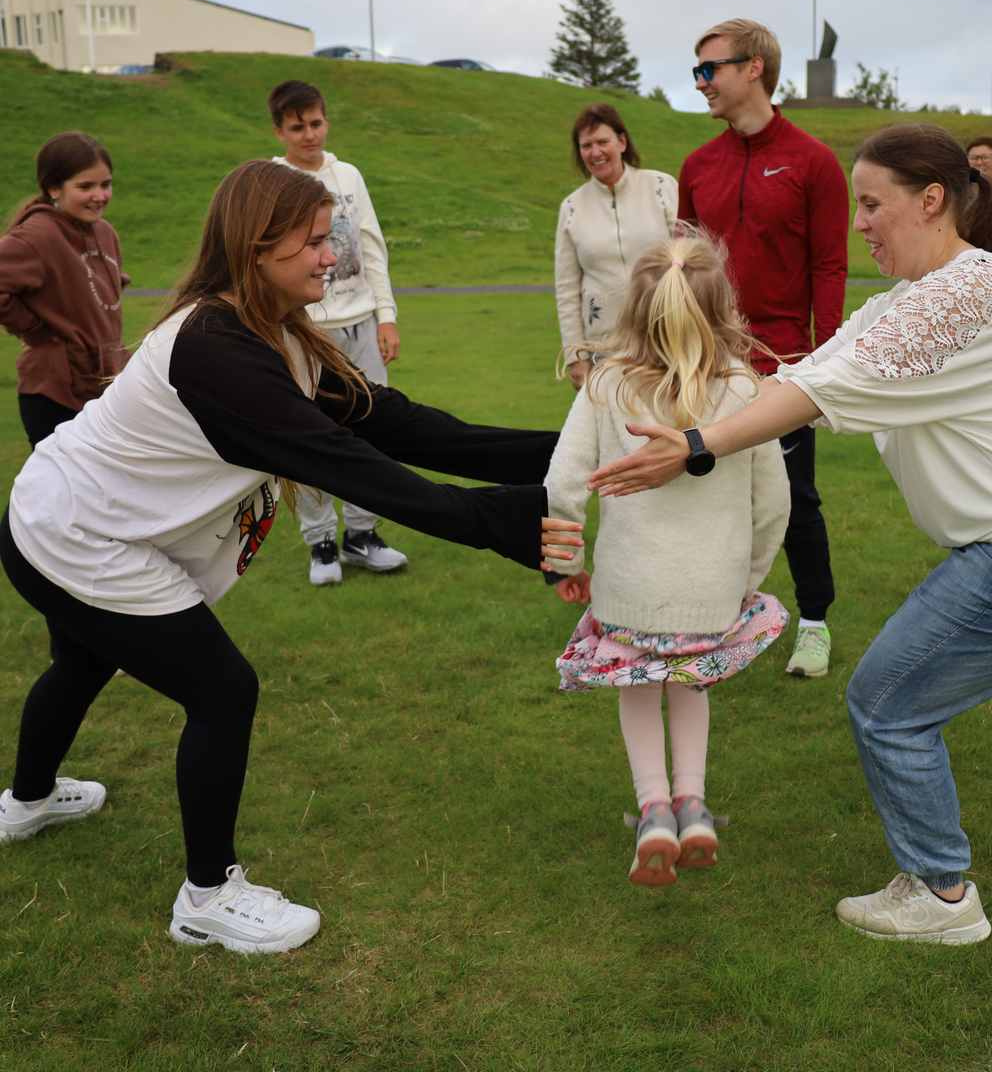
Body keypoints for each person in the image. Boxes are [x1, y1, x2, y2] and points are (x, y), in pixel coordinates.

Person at [586, 123, 992, 944]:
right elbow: (801, 375)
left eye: (873, 205)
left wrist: (696, 443)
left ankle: (942, 897)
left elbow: (816, 394)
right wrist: (687, 380)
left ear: (932, 200)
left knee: (887, 705)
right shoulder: (913, 297)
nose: (860, 224)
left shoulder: (965, 294)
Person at [0, 159, 581, 954]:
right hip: (74, 533)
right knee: (222, 689)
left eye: (329, 238)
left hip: (54, 513)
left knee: (81, 664)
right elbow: (348, 465)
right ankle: (207, 898)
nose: (331, 257)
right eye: (312, 242)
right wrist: (502, 522)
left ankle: (26, 803)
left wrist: (575, 452)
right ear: (256, 245)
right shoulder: (216, 349)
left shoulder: (276, 335)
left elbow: (402, 426)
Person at [544, 233, 789, 886]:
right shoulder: (746, 390)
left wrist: (567, 564)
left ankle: (654, 812)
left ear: (634, 308)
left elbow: (562, 485)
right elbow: (775, 504)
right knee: (688, 684)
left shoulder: (606, 385)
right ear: (721, 306)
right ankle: (694, 806)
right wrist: (747, 578)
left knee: (639, 687)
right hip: (712, 593)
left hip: (629, 590)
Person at [678, 18, 848, 679]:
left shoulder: (813, 161)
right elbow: (681, 271)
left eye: (709, 69)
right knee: (705, 494)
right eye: (696, 71)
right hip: (707, 365)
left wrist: (822, 360)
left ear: (754, 69)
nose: (700, 83)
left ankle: (815, 626)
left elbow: (829, 265)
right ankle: (712, 622)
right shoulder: (698, 166)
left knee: (794, 499)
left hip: (783, 366)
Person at [268, 79, 406, 585]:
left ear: (327, 121)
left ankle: (362, 535)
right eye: (297, 127)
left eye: (316, 123)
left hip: (362, 322)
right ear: (279, 131)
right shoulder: (272, 181)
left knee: (372, 428)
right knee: (309, 434)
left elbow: (372, 247)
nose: (309, 135)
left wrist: (386, 314)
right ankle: (321, 543)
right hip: (305, 329)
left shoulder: (348, 174)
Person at [0, 132, 129, 447]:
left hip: (107, 390)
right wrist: (35, 330)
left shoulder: (105, 231)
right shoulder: (37, 235)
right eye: (85, 187)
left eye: (105, 184)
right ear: (54, 188)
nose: (99, 195)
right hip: (56, 392)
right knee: (60, 479)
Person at [554, 103, 678, 391]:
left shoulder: (661, 187)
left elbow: (692, 261)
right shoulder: (571, 208)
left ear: (622, 142)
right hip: (603, 350)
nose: (595, 152)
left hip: (667, 341)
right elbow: (567, 287)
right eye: (586, 146)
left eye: (602, 142)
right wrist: (575, 356)